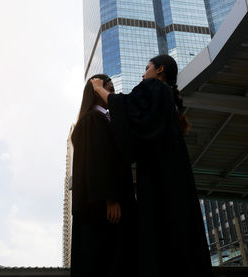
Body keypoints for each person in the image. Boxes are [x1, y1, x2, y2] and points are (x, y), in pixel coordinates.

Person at [91, 55, 213, 277]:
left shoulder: (154, 86)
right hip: (178, 174)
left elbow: (126, 108)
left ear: (160, 69)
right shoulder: (171, 98)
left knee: (158, 232)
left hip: (159, 174)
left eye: (147, 68)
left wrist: (99, 89)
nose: (143, 74)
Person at [70, 74, 136, 277]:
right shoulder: (93, 120)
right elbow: (97, 161)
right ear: (96, 92)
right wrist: (110, 198)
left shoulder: (102, 119)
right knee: (106, 262)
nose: (111, 93)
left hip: (105, 206)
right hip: (102, 209)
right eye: (109, 88)